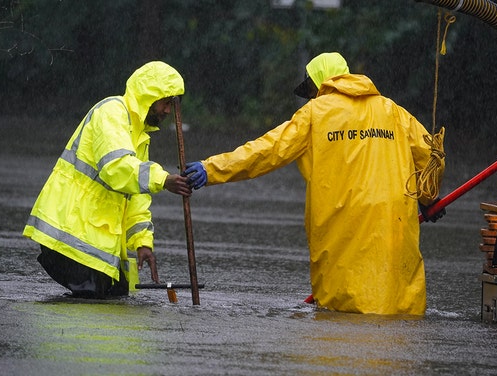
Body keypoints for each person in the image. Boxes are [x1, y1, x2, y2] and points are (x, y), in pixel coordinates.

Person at [184, 52, 444, 315]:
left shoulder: (314, 114)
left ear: (321, 83)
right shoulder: (393, 111)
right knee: (397, 303)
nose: (310, 95)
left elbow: (265, 151)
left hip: (342, 222)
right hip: (393, 218)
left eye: (310, 88)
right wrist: (427, 199)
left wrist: (211, 169)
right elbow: (432, 157)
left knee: (342, 310)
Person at [23, 61, 192, 298]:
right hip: (71, 233)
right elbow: (116, 169)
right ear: (150, 96)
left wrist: (143, 242)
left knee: (117, 294)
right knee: (93, 302)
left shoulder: (139, 135)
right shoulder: (112, 112)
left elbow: (135, 198)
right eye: (166, 103)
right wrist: (164, 180)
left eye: (172, 106)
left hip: (91, 238)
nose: (168, 111)